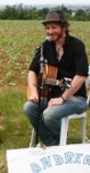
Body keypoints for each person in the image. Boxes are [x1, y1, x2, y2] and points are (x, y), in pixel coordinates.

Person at [23, 10, 89, 146]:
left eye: (54, 27)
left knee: (49, 115)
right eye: (47, 28)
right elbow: (32, 71)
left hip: (76, 98)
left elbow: (81, 75)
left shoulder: (77, 45)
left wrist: (63, 98)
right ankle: (54, 143)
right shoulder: (45, 46)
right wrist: (34, 92)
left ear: (63, 28)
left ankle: (57, 142)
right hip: (51, 96)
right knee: (29, 107)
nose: (50, 31)